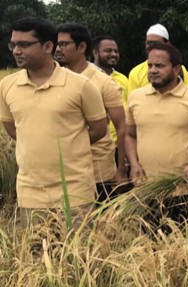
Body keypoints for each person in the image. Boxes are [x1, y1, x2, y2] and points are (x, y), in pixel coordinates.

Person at [0, 17, 107, 224]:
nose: (16, 51)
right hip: (30, 194)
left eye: (24, 45)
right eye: (13, 44)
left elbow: (99, 129)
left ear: (48, 46)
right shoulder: (7, 86)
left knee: (79, 255)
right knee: (35, 255)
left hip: (76, 194)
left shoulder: (81, 86)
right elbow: (14, 129)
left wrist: (69, 144)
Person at [125, 43, 188, 224]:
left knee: (183, 247)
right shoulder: (136, 97)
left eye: (159, 66)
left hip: (184, 190)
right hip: (146, 188)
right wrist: (134, 164)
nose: (153, 70)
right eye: (150, 66)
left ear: (176, 69)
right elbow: (130, 135)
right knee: (149, 245)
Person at [56, 23, 128, 202]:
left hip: (98, 171)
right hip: (63, 169)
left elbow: (121, 126)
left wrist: (121, 169)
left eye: (64, 44)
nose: (58, 49)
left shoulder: (103, 83)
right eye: (57, 44)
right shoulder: (54, 80)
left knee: (101, 224)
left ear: (81, 47)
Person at [126, 24, 188, 98]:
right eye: (148, 43)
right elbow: (132, 102)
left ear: (167, 44)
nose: (151, 47)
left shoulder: (179, 69)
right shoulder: (136, 72)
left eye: (155, 43)